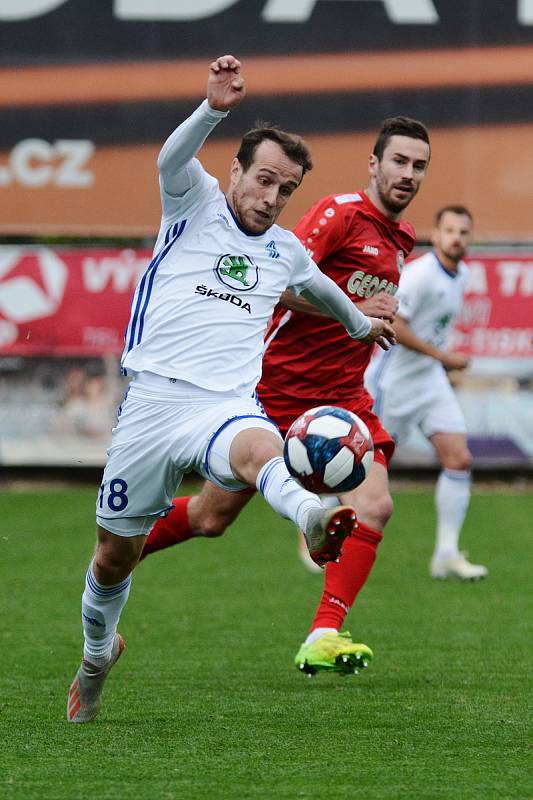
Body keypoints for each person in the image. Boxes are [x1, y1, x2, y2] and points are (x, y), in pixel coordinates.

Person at [66, 55, 396, 723]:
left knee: (259, 448)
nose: (272, 197)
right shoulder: (192, 204)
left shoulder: (282, 249)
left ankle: (309, 517)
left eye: (286, 188)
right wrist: (213, 108)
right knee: (112, 555)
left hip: (223, 404)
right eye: (264, 179)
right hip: (153, 403)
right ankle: (97, 656)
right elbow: (169, 156)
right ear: (236, 173)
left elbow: (319, 287)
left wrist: (359, 322)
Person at [139, 111, 431, 676]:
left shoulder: (403, 237)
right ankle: (122, 541)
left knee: (377, 504)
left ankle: (324, 632)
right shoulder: (340, 214)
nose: (408, 174)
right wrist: (351, 308)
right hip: (276, 393)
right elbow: (270, 279)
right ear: (373, 164)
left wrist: (368, 317)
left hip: (344, 401)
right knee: (208, 518)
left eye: (419, 166)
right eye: (398, 161)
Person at [366, 205, 487, 580]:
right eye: (449, 230)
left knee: (459, 459)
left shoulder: (462, 274)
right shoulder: (419, 276)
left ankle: (446, 554)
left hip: (429, 380)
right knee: (361, 469)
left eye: (463, 232)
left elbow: (434, 328)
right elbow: (394, 326)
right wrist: (443, 357)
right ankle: (315, 525)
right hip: (394, 384)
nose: (456, 238)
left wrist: (439, 363)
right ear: (435, 234)